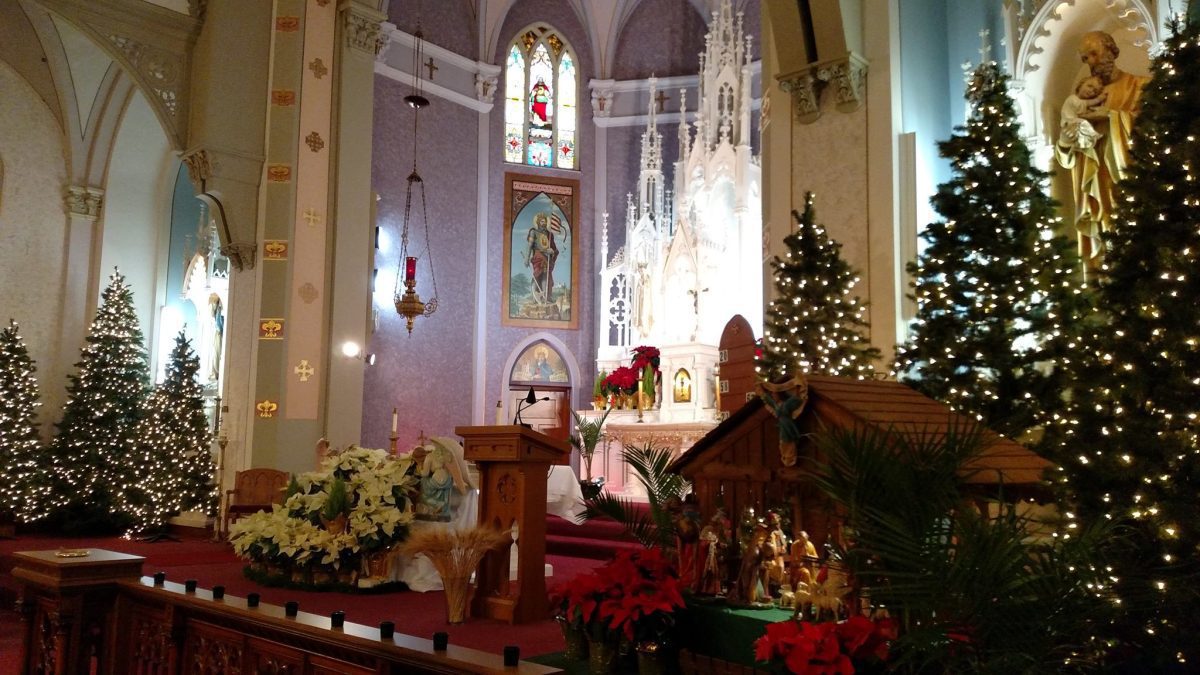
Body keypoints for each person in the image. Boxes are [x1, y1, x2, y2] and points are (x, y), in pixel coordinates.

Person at [1055, 31, 1149, 264]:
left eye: (1094, 54)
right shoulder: (1079, 101)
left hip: (1129, 182)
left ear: (1111, 50)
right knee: (1104, 256)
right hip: (1093, 187)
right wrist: (1065, 140)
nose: (1091, 62)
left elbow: (1153, 132)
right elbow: (1067, 160)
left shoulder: (1140, 86)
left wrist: (1111, 117)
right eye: (1085, 58)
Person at [1059, 76, 1107, 151]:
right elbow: (1083, 106)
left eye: (1095, 91)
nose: (1091, 91)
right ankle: (1094, 136)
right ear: (1080, 85)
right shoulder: (1073, 98)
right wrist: (1098, 99)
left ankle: (1086, 142)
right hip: (1069, 121)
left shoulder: (1079, 101)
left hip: (1073, 121)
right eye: (1089, 86)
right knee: (1084, 123)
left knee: (1083, 128)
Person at [524, 212, 559, 305]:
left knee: (545, 276)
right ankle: (535, 298)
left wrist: (552, 251)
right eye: (542, 221)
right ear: (538, 222)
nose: (544, 223)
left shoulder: (549, 234)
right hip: (538, 256)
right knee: (536, 275)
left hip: (547, 258)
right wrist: (526, 258)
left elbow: (555, 249)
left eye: (545, 221)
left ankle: (545, 297)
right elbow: (529, 246)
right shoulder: (533, 232)